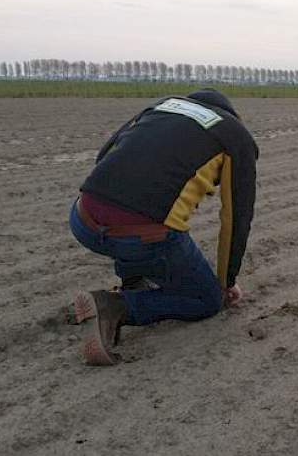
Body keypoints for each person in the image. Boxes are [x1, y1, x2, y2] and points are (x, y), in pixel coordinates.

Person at [67, 88, 258, 365]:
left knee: (131, 219)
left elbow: (104, 157)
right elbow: (236, 219)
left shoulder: (160, 107)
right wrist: (226, 282)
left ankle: (133, 282)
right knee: (206, 300)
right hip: (140, 236)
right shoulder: (235, 135)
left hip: (82, 220)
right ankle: (116, 306)